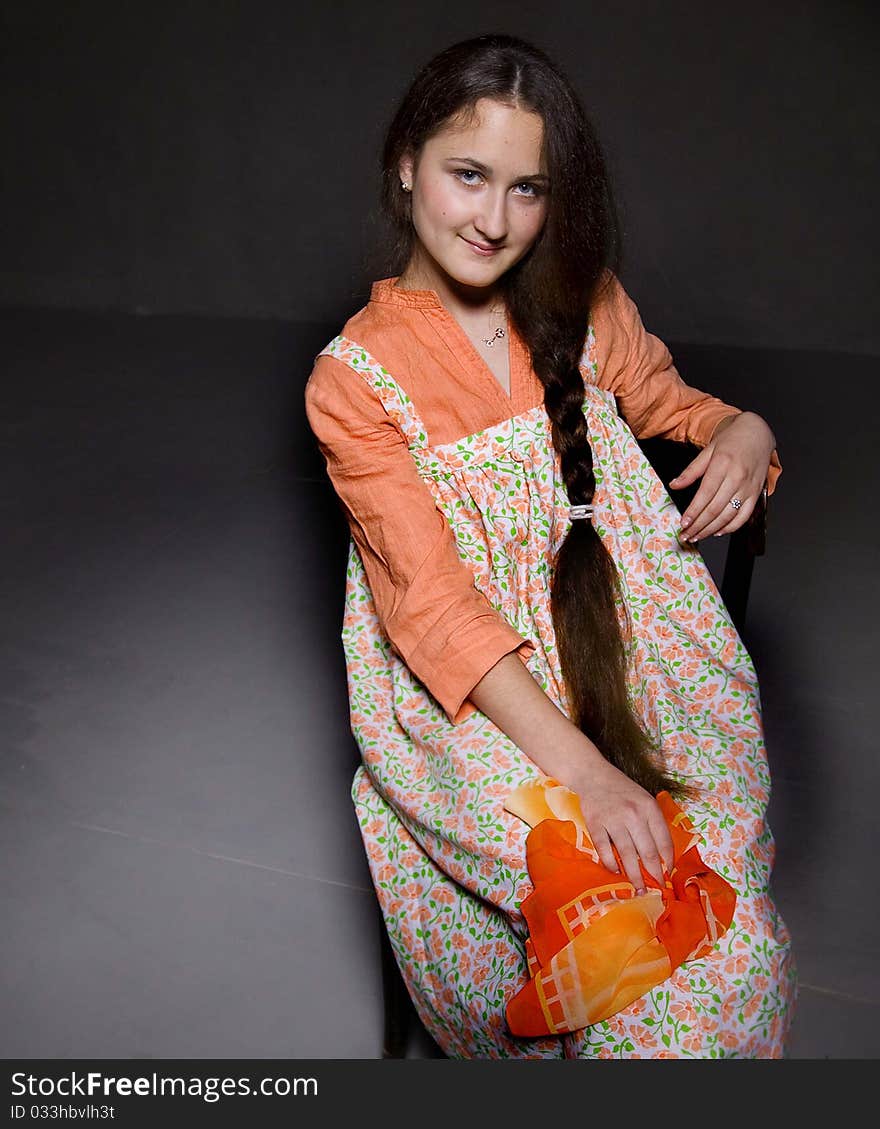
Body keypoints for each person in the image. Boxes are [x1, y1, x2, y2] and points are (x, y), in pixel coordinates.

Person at [304, 33, 797, 1058]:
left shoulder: (587, 303)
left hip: (632, 645)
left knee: (705, 890)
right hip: (478, 693)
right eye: (467, 176)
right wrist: (586, 774)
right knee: (620, 903)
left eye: (526, 189)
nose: (492, 221)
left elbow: (675, 407)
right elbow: (430, 609)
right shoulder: (355, 378)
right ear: (407, 164)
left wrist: (744, 431)